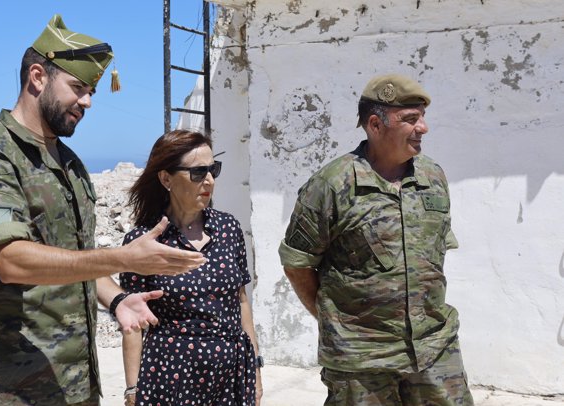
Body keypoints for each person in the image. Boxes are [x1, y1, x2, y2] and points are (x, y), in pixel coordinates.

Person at [0, 15, 206, 406]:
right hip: (14, 388)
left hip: (76, 383)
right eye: (78, 88)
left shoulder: (69, 163)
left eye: (92, 92)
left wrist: (118, 299)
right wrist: (123, 258)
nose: (87, 102)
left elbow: (73, 258)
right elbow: (11, 261)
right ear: (37, 77)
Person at [279, 74, 474, 405]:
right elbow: (297, 263)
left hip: (434, 348)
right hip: (361, 360)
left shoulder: (432, 178)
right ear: (375, 124)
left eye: (423, 117)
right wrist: (339, 324)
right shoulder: (331, 185)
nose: (423, 128)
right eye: (411, 119)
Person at [116, 130, 263, 406]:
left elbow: (241, 302)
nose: (208, 180)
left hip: (231, 376)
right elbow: (133, 323)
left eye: (212, 170)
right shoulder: (143, 242)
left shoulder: (229, 229)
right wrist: (132, 388)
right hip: (172, 377)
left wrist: (255, 368)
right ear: (166, 178)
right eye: (197, 172)